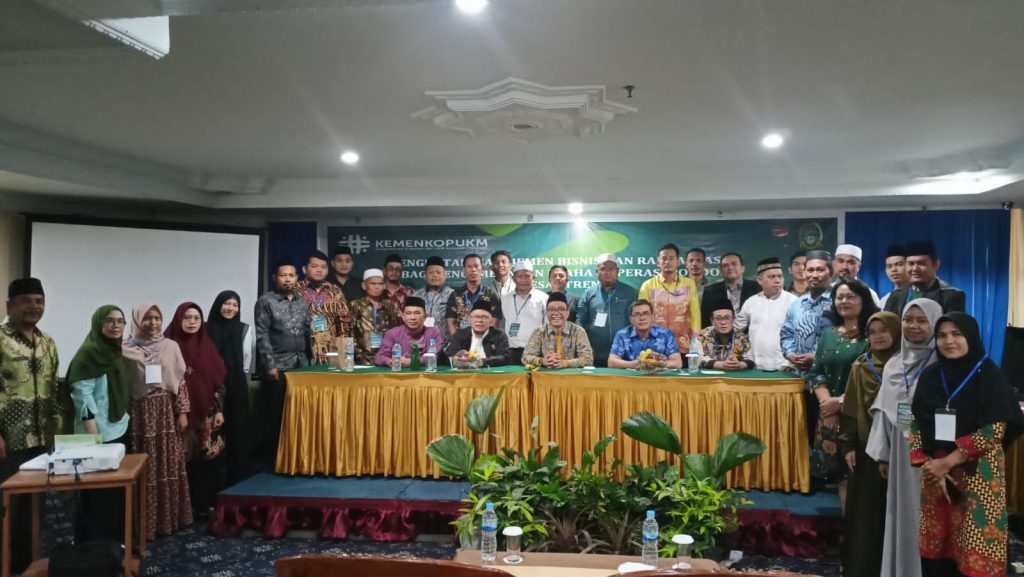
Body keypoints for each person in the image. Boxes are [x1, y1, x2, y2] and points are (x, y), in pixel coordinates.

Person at [910, 313, 1024, 577]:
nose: (949, 341)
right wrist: (930, 464)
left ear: (971, 336)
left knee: (976, 541)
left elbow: (995, 429)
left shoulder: (990, 375)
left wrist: (947, 463)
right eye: (942, 336)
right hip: (936, 473)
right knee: (939, 545)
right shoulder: (931, 375)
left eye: (957, 334)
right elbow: (916, 421)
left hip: (978, 473)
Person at [866, 298, 943, 577]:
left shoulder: (944, 363)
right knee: (903, 513)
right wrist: (883, 455)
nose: (913, 326)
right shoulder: (894, 365)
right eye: (908, 319)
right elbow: (883, 413)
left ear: (935, 323)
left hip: (938, 454)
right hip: (901, 453)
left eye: (922, 320)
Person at [0, 278, 60, 572]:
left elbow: (54, 389)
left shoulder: (47, 341)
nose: (34, 307)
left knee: (33, 508)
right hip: (8, 441)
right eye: (26, 301)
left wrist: (55, 430)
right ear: (9, 305)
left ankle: (24, 567)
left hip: (41, 440)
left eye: (39, 301)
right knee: (5, 508)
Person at [839, 311, 901, 577]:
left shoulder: (907, 366)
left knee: (894, 511)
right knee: (866, 512)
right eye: (872, 332)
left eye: (884, 330)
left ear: (896, 332)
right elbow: (850, 408)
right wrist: (848, 446)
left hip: (901, 450)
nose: (877, 336)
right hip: (867, 451)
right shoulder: (861, 366)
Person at [122, 302, 192, 539]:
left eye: (157, 318)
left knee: (169, 464)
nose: (153, 323)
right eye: (147, 318)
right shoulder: (125, 349)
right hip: (140, 415)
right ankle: (145, 524)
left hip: (167, 413)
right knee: (145, 467)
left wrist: (183, 412)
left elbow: (180, 382)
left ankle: (169, 521)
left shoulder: (171, 346)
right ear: (137, 320)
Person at [806, 280, 878, 505]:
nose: (844, 301)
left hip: (863, 415)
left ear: (864, 300)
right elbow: (816, 372)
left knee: (864, 477)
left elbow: (876, 379)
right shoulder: (828, 333)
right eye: (839, 297)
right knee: (841, 479)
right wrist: (828, 406)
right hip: (829, 416)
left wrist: (840, 403)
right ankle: (848, 526)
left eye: (851, 297)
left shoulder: (874, 334)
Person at [67, 305, 132, 542]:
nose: (116, 326)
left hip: (118, 427)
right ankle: (94, 545)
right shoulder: (89, 353)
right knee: (97, 494)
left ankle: (115, 542)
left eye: (120, 321)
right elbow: (82, 395)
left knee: (116, 491)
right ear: (98, 323)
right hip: (96, 433)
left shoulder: (114, 351)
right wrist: (94, 437)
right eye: (109, 321)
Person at [165, 303, 228, 519]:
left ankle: (204, 504)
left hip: (206, 413)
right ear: (178, 320)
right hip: (177, 415)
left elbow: (218, 381)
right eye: (187, 317)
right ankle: (181, 507)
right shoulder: (167, 346)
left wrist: (219, 410)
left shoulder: (207, 346)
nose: (192, 322)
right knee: (180, 461)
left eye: (196, 318)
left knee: (208, 459)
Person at [254, 258, 310, 466]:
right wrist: (270, 365)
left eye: (291, 275)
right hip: (278, 367)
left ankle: (296, 456)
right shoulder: (266, 301)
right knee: (276, 415)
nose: (288, 279)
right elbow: (262, 334)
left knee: (299, 414)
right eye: (283, 275)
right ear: (275, 278)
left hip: (301, 366)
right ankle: (273, 460)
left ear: (297, 278)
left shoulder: (302, 302)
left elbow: (308, 332)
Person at [207, 290, 254, 485]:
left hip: (236, 383)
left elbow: (246, 362)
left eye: (235, 305)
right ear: (218, 305)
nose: (231, 308)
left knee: (237, 428)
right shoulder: (206, 328)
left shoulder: (244, 329)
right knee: (213, 429)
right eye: (227, 303)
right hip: (211, 384)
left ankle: (237, 474)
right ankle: (213, 474)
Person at [735, 257, 798, 371]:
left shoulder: (794, 302)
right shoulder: (751, 302)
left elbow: (801, 336)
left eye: (780, 276)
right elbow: (735, 329)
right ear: (759, 280)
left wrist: (788, 363)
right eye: (771, 277)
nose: (777, 280)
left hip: (784, 367)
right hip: (754, 368)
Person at [576, 253, 638, 367]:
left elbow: (638, 322)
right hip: (595, 353)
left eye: (611, 269)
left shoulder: (631, 293)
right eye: (603, 269)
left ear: (617, 271)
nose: (607, 272)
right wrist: (584, 347)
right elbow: (580, 322)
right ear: (597, 272)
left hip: (625, 353)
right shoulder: (588, 294)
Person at [781, 250, 835, 374]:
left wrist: (817, 358)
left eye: (820, 270)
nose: (814, 275)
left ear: (831, 272)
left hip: (830, 376)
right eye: (810, 270)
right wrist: (790, 354)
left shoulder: (839, 302)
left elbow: (846, 338)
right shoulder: (797, 304)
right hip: (799, 376)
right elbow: (786, 334)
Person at [638, 243, 701, 348]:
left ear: (678, 262)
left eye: (671, 258)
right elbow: (642, 316)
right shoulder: (647, 286)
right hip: (654, 344)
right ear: (658, 262)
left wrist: (695, 343)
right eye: (664, 258)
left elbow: (695, 315)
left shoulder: (689, 284)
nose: (667, 262)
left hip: (683, 344)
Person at [296, 250, 352, 365]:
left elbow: (344, 325)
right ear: (304, 269)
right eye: (314, 266)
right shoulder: (295, 291)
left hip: (331, 353)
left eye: (323, 267)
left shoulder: (335, 291)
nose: (319, 270)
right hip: (302, 353)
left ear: (327, 270)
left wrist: (347, 359)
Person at [883, 240, 966, 315]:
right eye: (911, 264)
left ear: (936, 265)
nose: (915, 269)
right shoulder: (895, 296)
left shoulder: (951, 295)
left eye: (921, 263)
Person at [522, 293, 593, 368]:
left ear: (567, 313)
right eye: (551, 309)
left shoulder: (578, 331)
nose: (556, 313)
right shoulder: (539, 331)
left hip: (571, 374)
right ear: (547, 313)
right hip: (545, 374)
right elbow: (525, 357)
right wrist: (543, 361)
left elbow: (588, 359)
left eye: (561, 309)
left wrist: (565, 363)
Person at [607, 299, 682, 369]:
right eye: (637, 314)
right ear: (631, 319)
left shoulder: (666, 334)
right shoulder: (622, 335)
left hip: (658, 377)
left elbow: (677, 363)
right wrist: (634, 364)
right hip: (632, 377)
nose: (642, 318)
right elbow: (611, 362)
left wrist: (657, 364)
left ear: (652, 317)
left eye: (646, 313)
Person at [501, 260, 548, 366]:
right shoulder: (505, 298)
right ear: (513, 278)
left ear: (534, 278)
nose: (523, 280)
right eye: (519, 276)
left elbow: (547, 326)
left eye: (527, 276)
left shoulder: (543, 298)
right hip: (510, 350)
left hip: (535, 352)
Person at [374, 297, 444, 367]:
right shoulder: (392, 333)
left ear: (425, 316)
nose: (412, 317)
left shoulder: (433, 333)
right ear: (403, 317)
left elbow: (434, 356)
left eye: (417, 313)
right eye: (408, 313)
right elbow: (379, 357)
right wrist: (389, 361)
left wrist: (411, 362)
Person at [351, 269, 400, 365]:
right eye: (373, 284)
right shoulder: (356, 305)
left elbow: (394, 331)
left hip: (386, 359)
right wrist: (359, 355)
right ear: (364, 285)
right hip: (363, 360)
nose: (377, 287)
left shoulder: (389, 305)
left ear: (384, 286)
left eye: (380, 284)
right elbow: (350, 333)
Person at [446, 253, 503, 334]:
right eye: (469, 266)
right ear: (463, 271)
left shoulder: (491, 295)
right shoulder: (455, 295)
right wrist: (457, 340)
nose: (473, 269)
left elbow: (494, 323)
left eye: (476, 266)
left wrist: (485, 341)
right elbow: (451, 322)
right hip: (461, 340)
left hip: (485, 340)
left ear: (482, 270)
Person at [700, 252, 760, 328]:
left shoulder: (757, 288)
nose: (730, 267)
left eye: (734, 264)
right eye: (725, 266)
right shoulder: (710, 290)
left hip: (751, 334)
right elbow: (705, 320)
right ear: (721, 271)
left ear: (743, 268)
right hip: (720, 334)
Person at [444, 301, 509, 367]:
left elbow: (504, 357)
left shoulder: (499, 335)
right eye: (476, 316)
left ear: (491, 321)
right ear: (469, 319)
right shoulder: (460, 334)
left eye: (484, 317)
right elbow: (450, 355)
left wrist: (482, 362)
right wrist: (458, 356)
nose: (479, 320)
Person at [696, 300, 754, 371]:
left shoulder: (742, 338)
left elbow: (751, 359)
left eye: (727, 318)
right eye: (719, 319)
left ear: (733, 320)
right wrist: (721, 365)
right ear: (712, 321)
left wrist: (739, 365)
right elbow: (697, 358)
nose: (723, 322)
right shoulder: (702, 337)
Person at [413, 255, 454, 336]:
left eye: (438, 272)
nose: (435, 275)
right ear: (425, 276)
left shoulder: (453, 295)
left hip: (447, 342)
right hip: (422, 341)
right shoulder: (416, 296)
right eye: (431, 272)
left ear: (445, 276)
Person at [879, 245, 909, 310]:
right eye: (889, 266)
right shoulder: (884, 300)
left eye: (899, 264)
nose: (894, 269)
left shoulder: (915, 295)